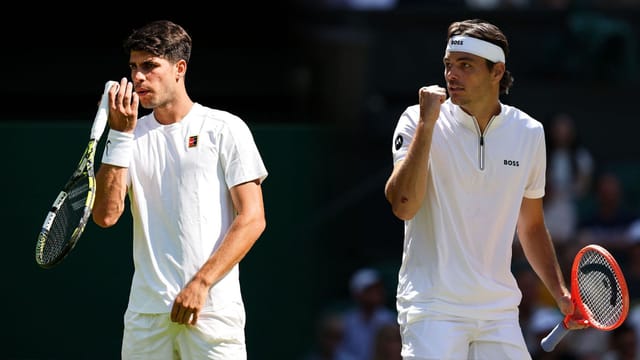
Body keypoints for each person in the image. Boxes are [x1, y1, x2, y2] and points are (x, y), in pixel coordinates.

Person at [383, 19, 587, 359]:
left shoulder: (530, 133)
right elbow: (403, 205)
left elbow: (532, 225)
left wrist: (560, 292)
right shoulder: (415, 119)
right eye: (449, 65)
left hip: (498, 312)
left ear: (497, 72)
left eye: (466, 66)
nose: (452, 75)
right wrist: (427, 126)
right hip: (433, 308)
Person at [92, 20, 268, 359]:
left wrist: (201, 284)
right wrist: (119, 137)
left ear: (179, 68)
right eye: (133, 68)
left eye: (149, 66)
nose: (138, 77)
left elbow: (253, 218)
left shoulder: (226, 128)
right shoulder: (127, 136)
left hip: (212, 314)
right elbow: (106, 216)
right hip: (147, 316)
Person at [337, 268, 397, 360]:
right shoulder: (346, 321)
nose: (375, 293)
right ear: (357, 294)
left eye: (378, 288)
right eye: (369, 290)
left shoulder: (390, 319)